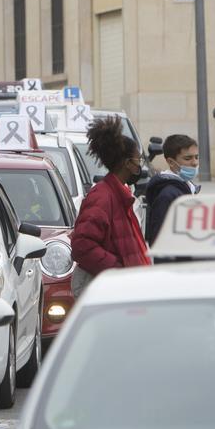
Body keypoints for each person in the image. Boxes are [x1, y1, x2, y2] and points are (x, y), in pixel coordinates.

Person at [70, 117, 151, 295]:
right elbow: (82, 245)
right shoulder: (102, 196)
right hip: (101, 288)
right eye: (138, 161)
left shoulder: (120, 194)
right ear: (127, 163)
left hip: (120, 286)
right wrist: (117, 270)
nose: (140, 166)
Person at [144, 134, 200, 247]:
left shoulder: (187, 187)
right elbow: (160, 241)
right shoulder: (167, 196)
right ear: (171, 162)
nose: (194, 163)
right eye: (188, 158)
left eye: (196, 157)